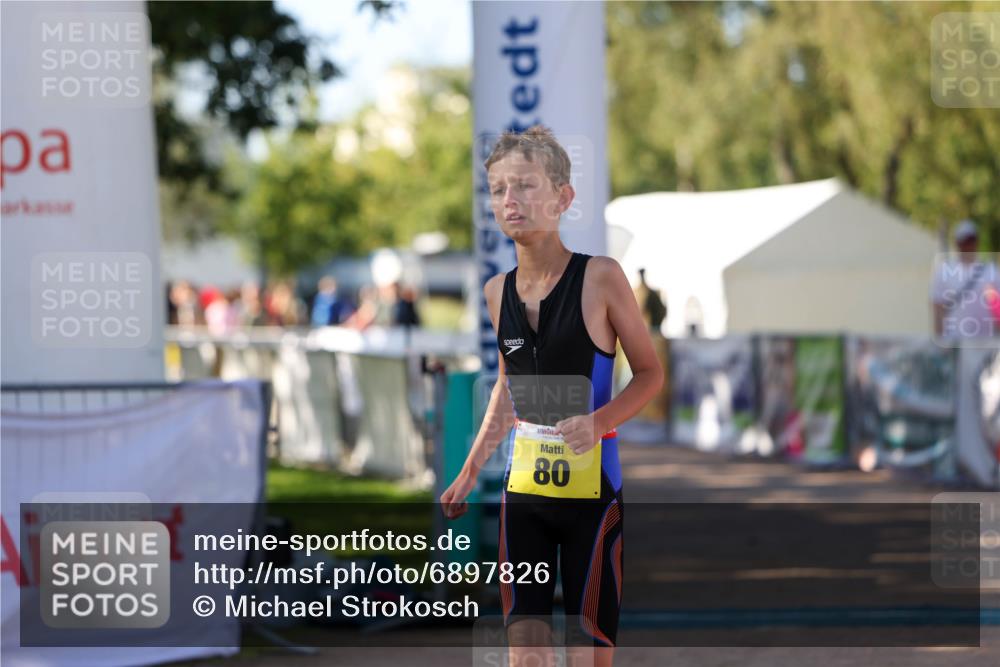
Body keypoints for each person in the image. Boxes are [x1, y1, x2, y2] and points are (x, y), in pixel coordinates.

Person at [439, 126, 663, 667]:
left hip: (593, 497)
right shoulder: (497, 293)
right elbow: (507, 390)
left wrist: (600, 421)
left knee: (591, 655)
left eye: (525, 185)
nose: (510, 200)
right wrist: (470, 470)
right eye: (497, 189)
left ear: (563, 197)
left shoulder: (601, 278)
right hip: (525, 502)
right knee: (526, 657)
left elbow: (651, 374)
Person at [931, 219, 1000, 342]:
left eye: (971, 240)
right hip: (955, 340)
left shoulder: (992, 271)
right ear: (957, 243)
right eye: (964, 241)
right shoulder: (944, 272)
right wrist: (939, 340)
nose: (968, 245)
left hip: (986, 341)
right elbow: (938, 307)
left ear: (977, 241)